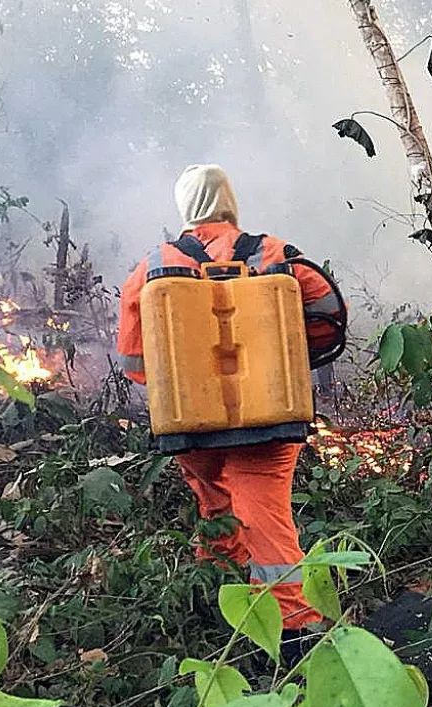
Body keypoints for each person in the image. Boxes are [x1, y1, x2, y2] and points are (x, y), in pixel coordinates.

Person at [117, 165, 342, 659]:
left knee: (216, 510)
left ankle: (216, 612)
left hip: (190, 428)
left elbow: (134, 362)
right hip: (271, 423)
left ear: (185, 205)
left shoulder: (151, 266)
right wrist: (283, 355)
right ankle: (295, 634)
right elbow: (329, 316)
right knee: (266, 521)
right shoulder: (275, 254)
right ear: (229, 199)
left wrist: (191, 384)